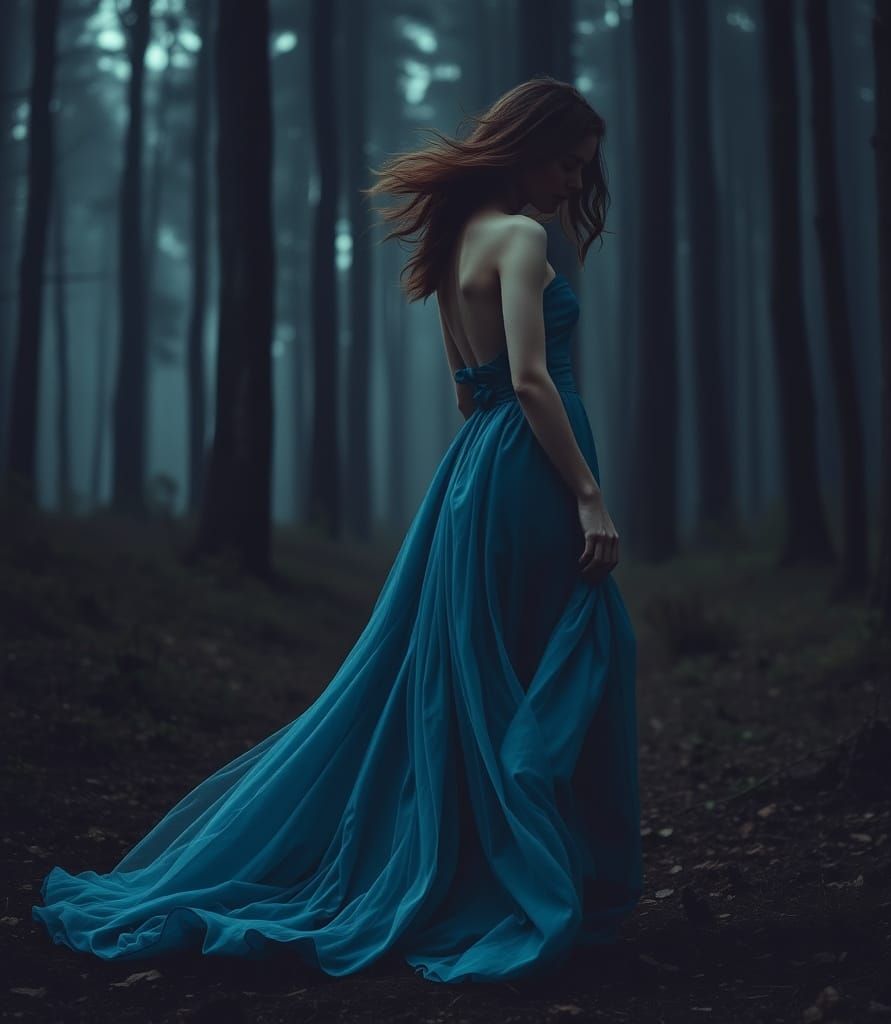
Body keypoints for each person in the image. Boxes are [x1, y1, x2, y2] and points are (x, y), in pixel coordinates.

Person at [32, 75, 643, 985]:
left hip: (479, 474)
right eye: (566, 162)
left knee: (497, 669)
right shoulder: (518, 237)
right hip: (528, 473)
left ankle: (510, 864)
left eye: (583, 169)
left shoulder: (452, 247)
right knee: (562, 655)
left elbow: (466, 391)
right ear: (524, 145)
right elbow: (526, 379)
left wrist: (481, 486)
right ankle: (532, 877)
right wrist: (588, 493)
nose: (570, 182)